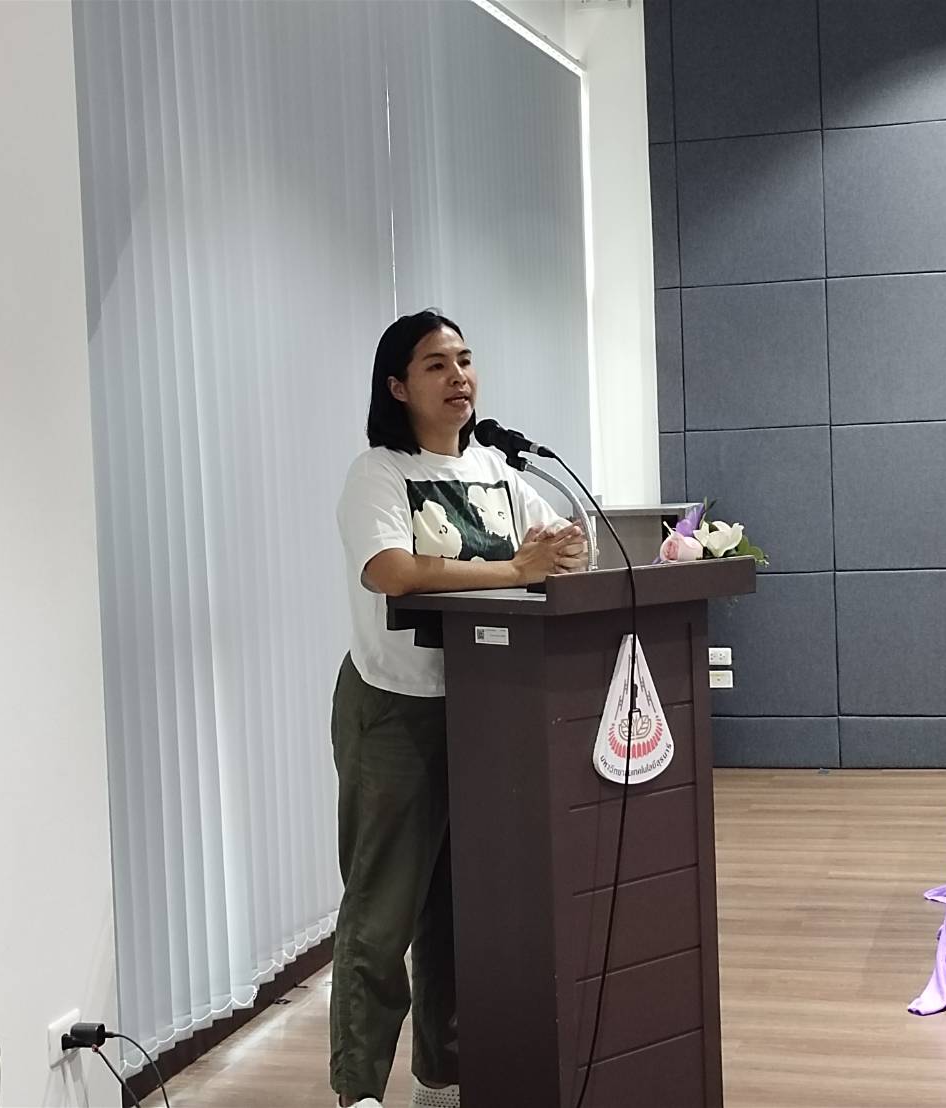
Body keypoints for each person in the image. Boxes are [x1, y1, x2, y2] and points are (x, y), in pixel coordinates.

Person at [330, 310, 587, 1107]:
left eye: (465, 360)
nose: (458, 377)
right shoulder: (378, 473)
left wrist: (561, 551)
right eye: (436, 365)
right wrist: (513, 568)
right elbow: (392, 571)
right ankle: (358, 1092)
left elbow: (556, 553)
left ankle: (441, 1079)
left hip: (486, 708)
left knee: (457, 908)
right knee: (383, 910)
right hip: (395, 708)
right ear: (397, 386)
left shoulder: (498, 471)